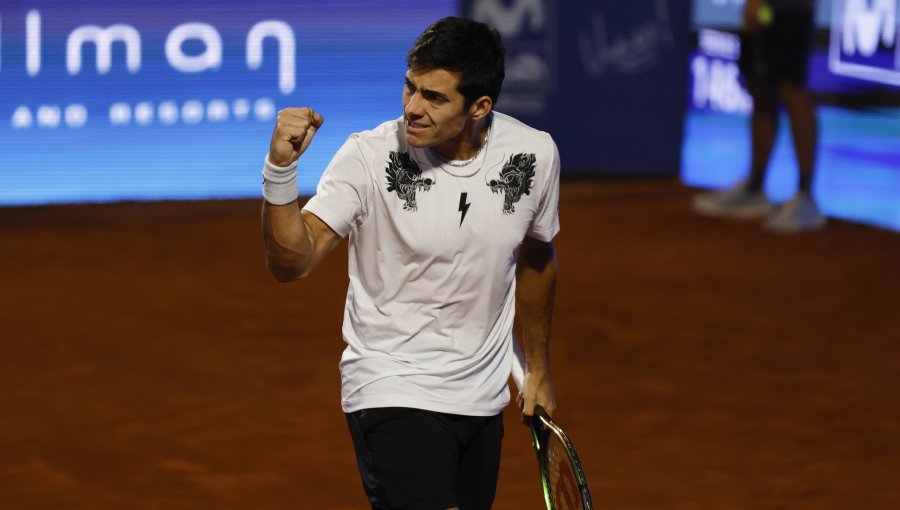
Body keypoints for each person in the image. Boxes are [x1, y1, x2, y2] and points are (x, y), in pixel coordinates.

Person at [260, 17, 560, 510]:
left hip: (482, 396)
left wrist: (539, 369)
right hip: (390, 384)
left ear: (480, 106)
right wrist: (280, 170)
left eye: (435, 98)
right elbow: (292, 261)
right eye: (410, 87)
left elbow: (535, 254)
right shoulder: (368, 157)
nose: (412, 109)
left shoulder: (534, 155)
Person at [692, 0, 826, 233]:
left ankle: (805, 196)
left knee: (792, 88)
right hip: (760, 8)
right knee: (760, 88)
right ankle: (755, 188)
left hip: (789, 8)